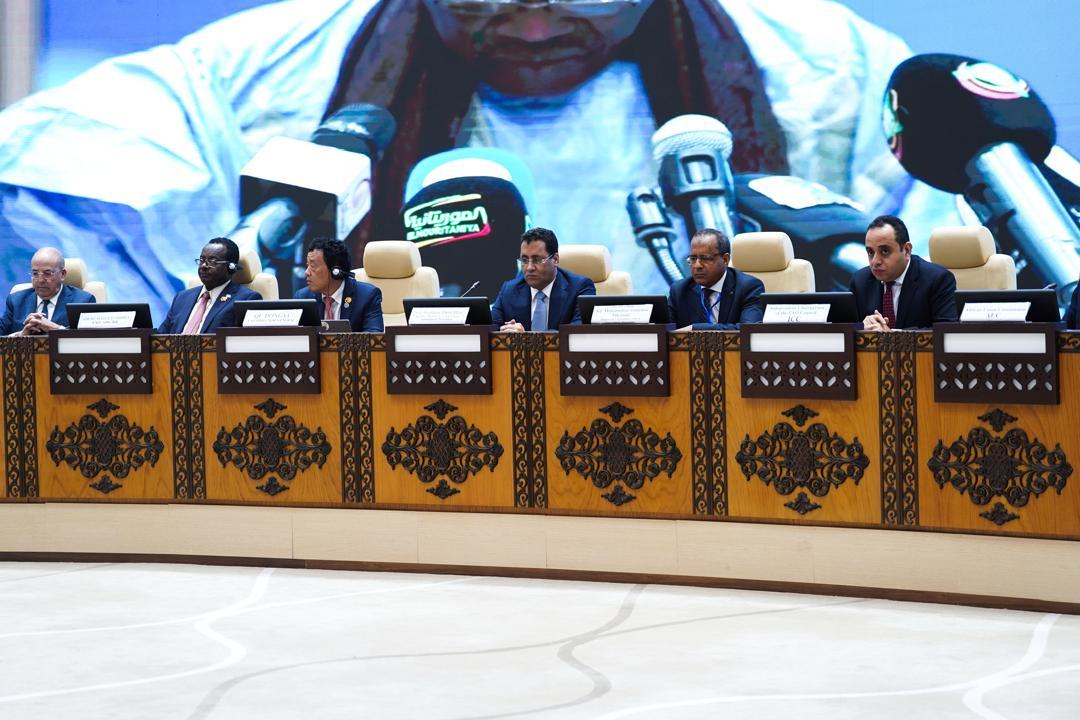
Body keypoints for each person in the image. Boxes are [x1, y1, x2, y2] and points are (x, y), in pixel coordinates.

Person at [0, 0, 962, 312]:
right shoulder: (249, 73)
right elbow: (37, 183)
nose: (533, 18)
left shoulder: (834, 70)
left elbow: (934, 275)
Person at [850, 215, 958, 331]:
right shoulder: (860, 281)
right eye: (870, 252)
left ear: (907, 250)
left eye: (885, 251)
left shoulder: (937, 279)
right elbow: (844, 327)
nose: (875, 261)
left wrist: (891, 336)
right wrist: (862, 327)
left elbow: (946, 331)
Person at [492, 227, 595, 331]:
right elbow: (491, 328)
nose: (529, 268)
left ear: (555, 259)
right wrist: (505, 331)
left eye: (537, 260)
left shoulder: (580, 288)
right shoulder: (509, 290)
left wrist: (526, 338)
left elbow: (577, 332)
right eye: (524, 260)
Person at [157, 237, 262, 334]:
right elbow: (159, 337)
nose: (203, 266)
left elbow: (247, 342)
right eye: (201, 260)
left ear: (230, 267)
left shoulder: (246, 299)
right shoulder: (182, 298)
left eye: (212, 261)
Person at [666, 228, 763, 329]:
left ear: (725, 259)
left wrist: (695, 329)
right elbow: (664, 330)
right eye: (693, 259)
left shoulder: (748, 287)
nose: (697, 265)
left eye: (705, 258)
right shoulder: (679, 290)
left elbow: (748, 329)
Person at [0, 247, 96, 335]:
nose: (40, 280)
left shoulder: (83, 301)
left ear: (62, 274)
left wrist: (55, 329)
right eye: (35, 273)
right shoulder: (16, 301)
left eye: (47, 274)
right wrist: (20, 336)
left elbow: (89, 339)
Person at [296, 237, 384, 332]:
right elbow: (296, 336)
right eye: (307, 265)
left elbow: (374, 336)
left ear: (335, 270)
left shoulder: (367, 296)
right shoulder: (303, 297)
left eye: (313, 266)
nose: (306, 272)